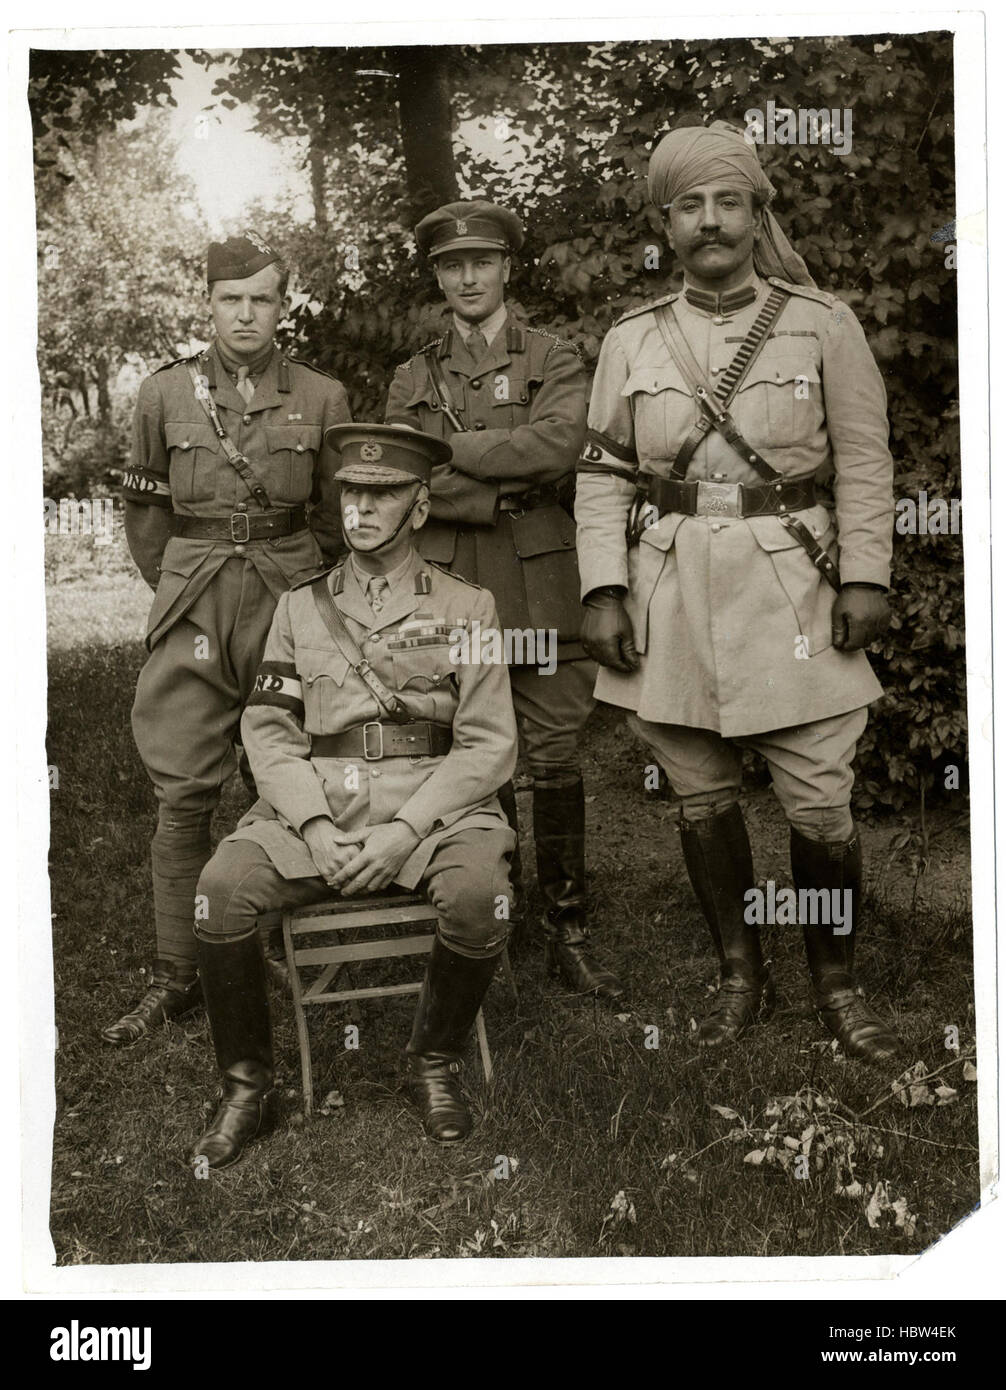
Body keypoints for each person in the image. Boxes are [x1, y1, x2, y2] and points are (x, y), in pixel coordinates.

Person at [575, 119, 901, 1064]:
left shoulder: (822, 323)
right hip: (669, 588)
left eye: (728, 203)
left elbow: (867, 459)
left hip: (795, 587)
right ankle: (738, 974)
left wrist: (868, 574)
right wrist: (603, 588)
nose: (709, 223)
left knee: (820, 802)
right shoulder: (632, 338)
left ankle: (836, 986)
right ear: (666, 224)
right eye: (689, 208)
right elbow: (602, 473)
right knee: (699, 793)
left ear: (757, 214)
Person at [188, 424, 518, 1169]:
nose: (360, 509)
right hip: (320, 803)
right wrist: (310, 823)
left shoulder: (468, 608)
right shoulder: (301, 607)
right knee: (218, 894)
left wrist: (405, 830)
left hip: (433, 805)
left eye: (383, 494)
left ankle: (432, 1061)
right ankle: (249, 1087)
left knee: (478, 897)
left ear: (421, 507)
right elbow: (269, 733)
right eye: (351, 493)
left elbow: (490, 744)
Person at [102, 232, 351, 1047]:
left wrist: (309, 596)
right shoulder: (162, 394)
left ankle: (280, 940)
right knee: (183, 790)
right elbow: (147, 514)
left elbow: (334, 515)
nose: (246, 315)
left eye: (262, 300)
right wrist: (177, 589)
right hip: (197, 601)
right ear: (207, 305)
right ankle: (179, 973)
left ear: (283, 308)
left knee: (292, 774)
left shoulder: (321, 396)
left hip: (289, 602)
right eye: (230, 300)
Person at [385, 199, 625, 1004]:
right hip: (454, 583)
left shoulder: (554, 357)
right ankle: (494, 914)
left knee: (554, 754)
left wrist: (451, 456)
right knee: (471, 751)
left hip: (540, 582)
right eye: (452, 265)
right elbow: (398, 476)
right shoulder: (413, 375)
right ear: (438, 277)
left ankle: (568, 927)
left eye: (481, 262)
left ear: (506, 268)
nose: (468, 276)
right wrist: (491, 488)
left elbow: (561, 445)